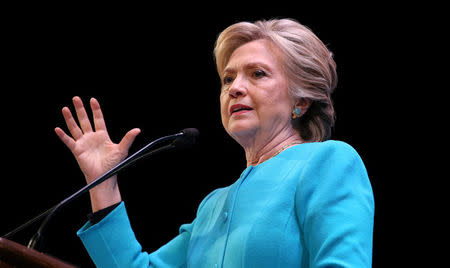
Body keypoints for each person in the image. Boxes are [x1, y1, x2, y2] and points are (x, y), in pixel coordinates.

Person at [55, 18, 374, 267]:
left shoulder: (329, 162)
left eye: (257, 74)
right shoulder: (212, 207)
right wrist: (102, 183)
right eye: (227, 78)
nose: (235, 88)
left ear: (301, 101)